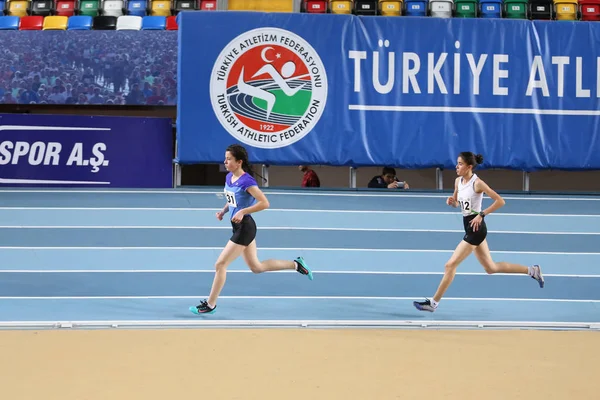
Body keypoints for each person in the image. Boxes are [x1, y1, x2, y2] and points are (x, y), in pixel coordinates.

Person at [190, 144, 313, 315]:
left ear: (239, 162)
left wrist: (243, 211)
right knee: (257, 267)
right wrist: (224, 211)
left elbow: (265, 203)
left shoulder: (247, 181)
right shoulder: (229, 178)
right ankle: (296, 264)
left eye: (228, 159)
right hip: (237, 226)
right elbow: (232, 200)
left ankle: (210, 305)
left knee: (220, 264)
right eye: (225, 158)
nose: (225, 161)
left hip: (245, 227)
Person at [413, 152, 544, 313]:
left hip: (476, 229)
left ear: (469, 167)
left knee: (450, 265)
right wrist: (452, 202)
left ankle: (433, 303)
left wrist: (481, 215)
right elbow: (458, 205)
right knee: (491, 268)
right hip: (468, 225)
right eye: (457, 163)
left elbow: (500, 201)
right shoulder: (457, 182)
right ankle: (532, 270)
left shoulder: (478, 183)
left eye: (460, 164)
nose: (456, 166)